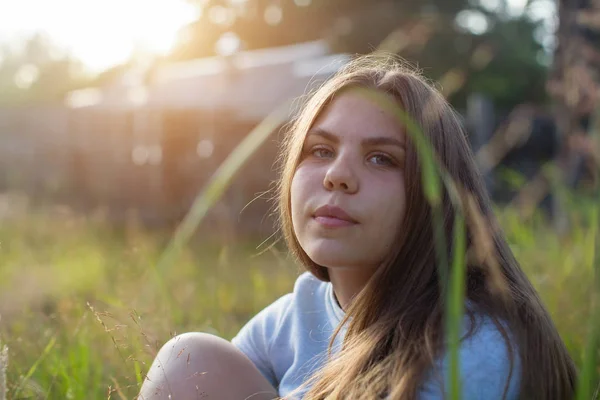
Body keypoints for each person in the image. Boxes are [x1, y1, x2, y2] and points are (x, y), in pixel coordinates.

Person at [138, 55, 577, 400]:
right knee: (190, 358)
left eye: (381, 158)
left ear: (436, 195)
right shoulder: (300, 313)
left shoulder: (472, 346)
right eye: (320, 150)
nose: (337, 175)